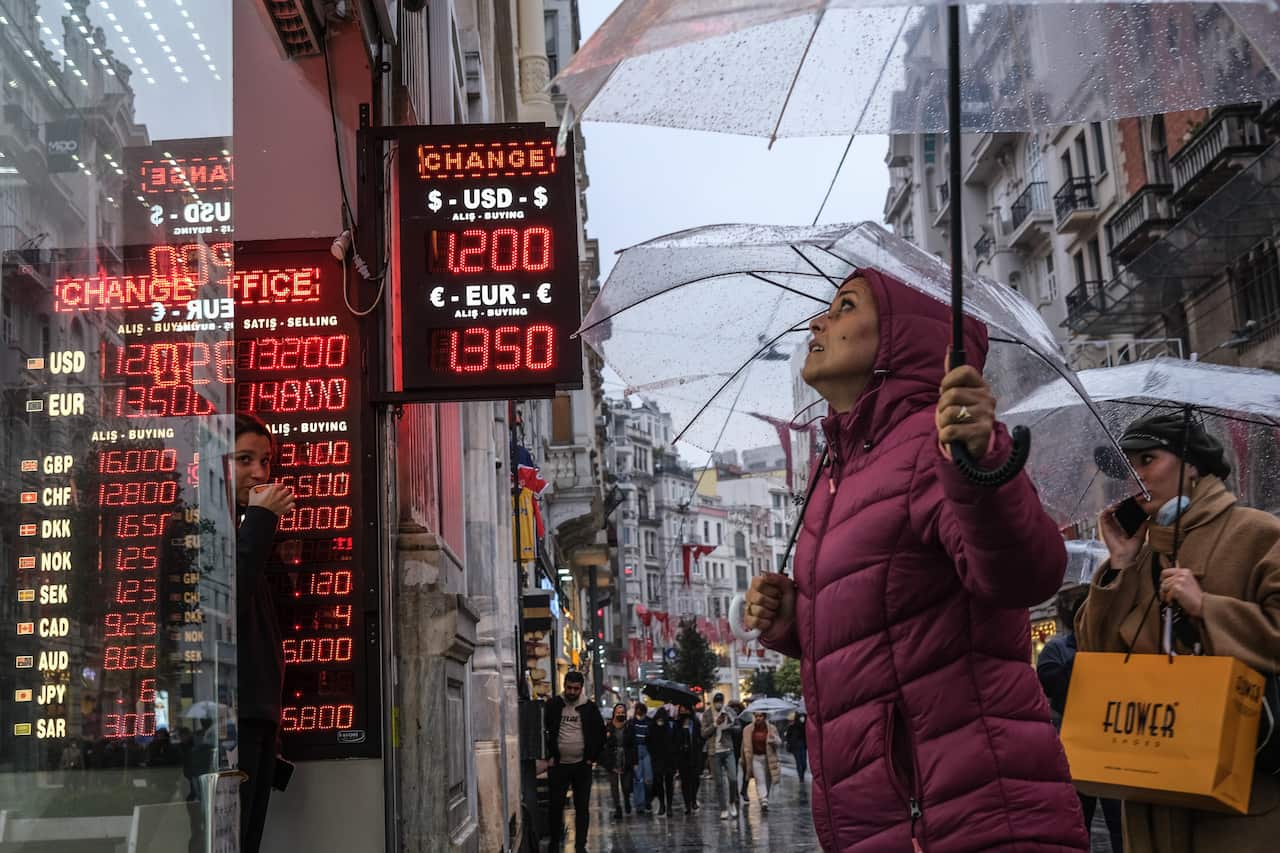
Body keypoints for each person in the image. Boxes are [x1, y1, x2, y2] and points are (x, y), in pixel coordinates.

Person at [744, 270, 1086, 852]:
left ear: (901, 337)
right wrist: (792, 624)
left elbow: (1023, 574)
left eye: (844, 306)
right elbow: (887, 624)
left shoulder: (934, 441)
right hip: (886, 819)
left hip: (964, 811)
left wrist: (981, 464)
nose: (816, 323)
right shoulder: (839, 469)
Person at [1076, 411, 1280, 853]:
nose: (1136, 478)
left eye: (1147, 459)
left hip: (1240, 799)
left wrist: (1208, 609)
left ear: (1192, 464)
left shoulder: (1258, 534)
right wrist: (1120, 565)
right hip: (1152, 792)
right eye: (1126, 469)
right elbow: (1095, 656)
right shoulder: (1140, 554)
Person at [233, 413, 295, 853]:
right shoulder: (203, 526)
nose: (259, 473)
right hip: (226, 722)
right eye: (244, 459)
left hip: (258, 720)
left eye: (265, 461)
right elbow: (225, 598)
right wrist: (259, 521)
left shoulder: (247, 529)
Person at [1038, 592, 1123, 851]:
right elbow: (1053, 690)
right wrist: (1084, 660)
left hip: (1111, 746)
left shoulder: (1113, 646)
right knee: (1077, 820)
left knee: (1118, 821)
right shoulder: (1057, 648)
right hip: (1076, 746)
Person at [544, 671, 605, 852]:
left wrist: (591, 758)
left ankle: (580, 845)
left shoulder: (589, 707)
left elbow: (600, 734)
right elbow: (544, 729)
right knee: (555, 806)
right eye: (569, 688)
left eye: (576, 689)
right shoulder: (553, 705)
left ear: (581, 688)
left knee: (582, 807)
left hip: (581, 766)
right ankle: (554, 843)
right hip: (559, 765)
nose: (572, 692)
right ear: (564, 685)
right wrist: (549, 756)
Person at [700, 693, 739, 820]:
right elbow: (703, 734)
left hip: (728, 749)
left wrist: (730, 725)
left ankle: (732, 802)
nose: (719, 704)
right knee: (719, 783)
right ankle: (723, 808)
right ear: (713, 702)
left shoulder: (729, 711)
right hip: (713, 751)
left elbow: (739, 727)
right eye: (716, 701)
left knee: (733, 778)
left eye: (721, 701)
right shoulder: (707, 714)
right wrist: (715, 724)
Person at [741, 711, 782, 811]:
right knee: (760, 779)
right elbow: (744, 746)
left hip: (768, 758)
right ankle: (763, 800)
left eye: (760, 716)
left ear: (764, 717)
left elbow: (779, 742)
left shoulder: (771, 728)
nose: (758, 718)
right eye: (756, 716)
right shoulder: (747, 729)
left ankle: (765, 798)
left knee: (768, 780)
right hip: (755, 758)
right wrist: (743, 759)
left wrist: (774, 739)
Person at [599, 703, 633, 819]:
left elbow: (633, 745)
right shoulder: (609, 726)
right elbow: (603, 743)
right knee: (614, 785)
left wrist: (634, 760)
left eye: (622, 712)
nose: (620, 714)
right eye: (618, 712)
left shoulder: (629, 726)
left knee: (626, 785)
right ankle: (618, 807)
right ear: (614, 713)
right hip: (612, 759)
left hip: (625, 758)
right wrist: (605, 760)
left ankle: (627, 799)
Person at [672, 705, 703, 814]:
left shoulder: (695, 722)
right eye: (682, 710)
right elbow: (674, 740)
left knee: (695, 779)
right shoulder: (677, 724)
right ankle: (687, 804)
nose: (684, 711)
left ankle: (693, 798)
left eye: (686, 709)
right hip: (682, 757)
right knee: (685, 781)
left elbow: (701, 736)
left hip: (695, 755)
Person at [625, 702, 654, 815]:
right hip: (635, 751)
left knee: (649, 780)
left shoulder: (649, 722)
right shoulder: (631, 723)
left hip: (647, 750)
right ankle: (640, 805)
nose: (639, 712)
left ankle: (648, 800)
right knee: (638, 780)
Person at [648, 707, 676, 816]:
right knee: (659, 783)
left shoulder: (669, 727)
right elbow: (649, 741)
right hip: (657, 759)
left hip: (668, 760)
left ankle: (669, 806)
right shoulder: (653, 728)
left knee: (669, 784)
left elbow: (673, 743)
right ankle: (662, 805)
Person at [785, 712, 809, 797]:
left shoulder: (801, 725)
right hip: (795, 746)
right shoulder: (790, 727)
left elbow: (805, 732)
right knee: (799, 762)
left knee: (804, 763)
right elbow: (788, 736)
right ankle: (801, 777)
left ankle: (801, 774)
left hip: (802, 745)